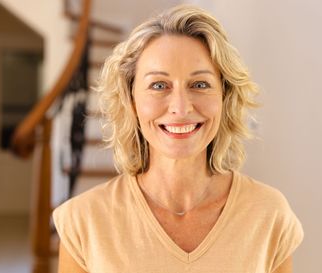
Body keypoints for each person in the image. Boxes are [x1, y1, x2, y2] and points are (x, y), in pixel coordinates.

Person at [53, 4, 304, 273]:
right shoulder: (84, 221)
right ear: (132, 101)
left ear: (224, 97)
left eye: (200, 84)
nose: (181, 108)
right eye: (159, 85)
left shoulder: (269, 214)